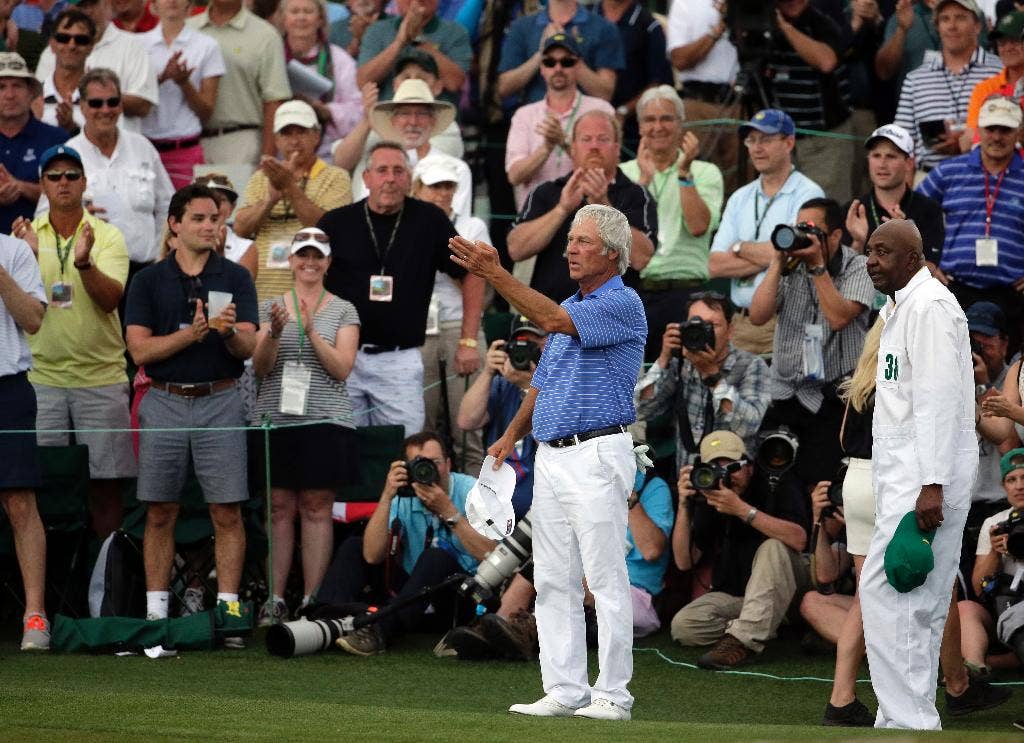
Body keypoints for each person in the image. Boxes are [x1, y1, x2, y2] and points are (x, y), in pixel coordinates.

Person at [450, 203, 646, 721]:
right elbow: (542, 385)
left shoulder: (622, 303)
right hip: (553, 457)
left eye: (582, 242)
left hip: (598, 451)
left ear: (612, 253)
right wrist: (509, 437)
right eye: (571, 241)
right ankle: (565, 689)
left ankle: (613, 696)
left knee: (604, 578)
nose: (570, 250)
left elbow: (551, 320)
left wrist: (495, 273)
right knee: (554, 577)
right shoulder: (568, 304)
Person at [124, 183, 258, 637]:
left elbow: (249, 345)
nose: (209, 227)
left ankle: (229, 612)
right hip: (163, 400)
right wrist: (192, 335)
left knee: (227, 511)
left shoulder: (236, 277)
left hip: (221, 399)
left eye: (215, 219)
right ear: (174, 224)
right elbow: (139, 350)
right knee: (159, 510)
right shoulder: (147, 280)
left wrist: (224, 334)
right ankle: (157, 611)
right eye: (199, 218)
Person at [859, 218, 977, 729]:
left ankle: (908, 718)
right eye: (869, 251)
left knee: (891, 593)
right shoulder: (901, 307)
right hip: (909, 480)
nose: (871, 261)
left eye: (883, 252)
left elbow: (937, 401)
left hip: (926, 482)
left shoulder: (929, 307)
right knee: (918, 600)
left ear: (913, 258)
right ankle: (906, 714)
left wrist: (932, 483)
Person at [12, 143, 134, 539]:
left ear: (84, 182)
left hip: (100, 377)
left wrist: (84, 263)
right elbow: (17, 307)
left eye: (71, 176)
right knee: (42, 486)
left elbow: (110, 298)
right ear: (42, 185)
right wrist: (25, 256)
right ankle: (51, 585)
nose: (63, 183)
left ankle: (104, 592)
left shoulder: (108, 235)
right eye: (54, 176)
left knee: (106, 489)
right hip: (41, 377)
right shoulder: (22, 236)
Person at [319, 142, 483, 434]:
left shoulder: (430, 220)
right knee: (342, 448)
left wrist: (468, 341)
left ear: (409, 179)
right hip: (344, 358)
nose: (390, 178)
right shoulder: (336, 223)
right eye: (382, 170)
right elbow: (309, 278)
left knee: (404, 448)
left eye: (398, 171)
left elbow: (473, 272)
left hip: (400, 359)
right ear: (366, 178)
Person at [251, 227, 360, 625]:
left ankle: (312, 598)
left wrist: (311, 329)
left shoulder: (343, 310)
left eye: (317, 256)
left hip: (324, 417)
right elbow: (261, 368)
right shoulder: (270, 307)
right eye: (303, 255)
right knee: (279, 508)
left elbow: (342, 368)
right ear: (291, 260)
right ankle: (275, 597)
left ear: (328, 261)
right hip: (277, 417)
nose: (310, 262)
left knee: (316, 507)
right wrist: (276, 333)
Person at [319, 431, 496, 654]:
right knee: (355, 546)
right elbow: (372, 555)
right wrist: (386, 496)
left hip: (461, 597)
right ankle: (324, 619)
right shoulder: (404, 494)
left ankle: (378, 632)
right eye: (418, 465)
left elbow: (493, 554)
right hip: (411, 593)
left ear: (449, 464)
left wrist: (449, 512)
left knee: (436, 557)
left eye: (434, 463)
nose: (426, 471)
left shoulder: (471, 491)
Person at [749, 197, 876, 489]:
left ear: (834, 235)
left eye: (811, 230)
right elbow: (757, 316)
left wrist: (818, 267)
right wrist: (777, 262)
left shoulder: (858, 267)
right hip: (784, 393)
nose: (803, 235)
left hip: (831, 399)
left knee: (819, 486)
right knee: (772, 482)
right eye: (799, 228)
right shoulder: (790, 265)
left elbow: (839, 317)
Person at [669, 430, 809, 669]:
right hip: (740, 595)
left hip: (794, 588)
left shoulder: (775, 483)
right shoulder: (709, 497)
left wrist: (742, 510)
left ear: (750, 466)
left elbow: (799, 539)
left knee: (773, 546)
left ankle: (742, 641)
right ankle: (764, 622)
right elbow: (684, 561)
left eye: (732, 467)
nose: (726, 476)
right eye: (716, 469)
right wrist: (684, 505)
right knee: (684, 626)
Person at [507, 109, 656, 304]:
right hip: (550, 317)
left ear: (617, 149)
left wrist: (603, 204)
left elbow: (641, 258)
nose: (594, 146)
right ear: (573, 148)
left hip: (611, 318)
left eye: (603, 139)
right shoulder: (548, 191)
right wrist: (561, 209)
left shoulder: (636, 194)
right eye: (586, 139)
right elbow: (516, 249)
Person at [708, 109, 824, 356]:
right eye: (752, 140)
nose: (757, 148)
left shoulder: (808, 194)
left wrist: (740, 247)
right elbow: (715, 265)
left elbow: (794, 256)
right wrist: (774, 255)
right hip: (739, 322)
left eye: (766, 139)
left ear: (789, 142)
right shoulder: (740, 197)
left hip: (786, 321)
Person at [620, 85, 723, 360]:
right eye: (650, 120)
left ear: (681, 125)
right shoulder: (623, 174)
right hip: (634, 292)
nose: (658, 127)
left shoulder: (706, 172)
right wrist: (642, 183)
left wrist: (685, 174)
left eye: (666, 118)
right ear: (639, 127)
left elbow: (698, 226)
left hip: (686, 293)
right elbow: (617, 237)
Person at [919, 95, 1024, 357]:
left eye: (1005, 129)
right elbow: (911, 215)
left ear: (1019, 132)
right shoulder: (949, 171)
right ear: (978, 129)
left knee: (1009, 374)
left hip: (1011, 297)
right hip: (955, 291)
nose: (997, 137)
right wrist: (925, 261)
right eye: (991, 128)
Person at [48, 68, 174, 281]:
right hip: (90, 273)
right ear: (83, 107)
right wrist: (75, 214)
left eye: (113, 102)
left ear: (121, 105)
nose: (105, 110)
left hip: (146, 272)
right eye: (97, 103)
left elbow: (168, 206)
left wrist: (161, 256)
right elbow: (44, 216)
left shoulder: (143, 147)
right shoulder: (68, 154)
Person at [635, 292, 771, 476]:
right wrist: (663, 359)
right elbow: (641, 410)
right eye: (695, 324)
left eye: (712, 325)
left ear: (730, 330)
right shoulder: (680, 363)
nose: (703, 331)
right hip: (688, 478)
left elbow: (748, 426)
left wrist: (712, 376)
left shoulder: (751, 365)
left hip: (732, 478)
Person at [234, 99, 352, 303]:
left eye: (302, 132)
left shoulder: (336, 177)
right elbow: (240, 229)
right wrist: (269, 201)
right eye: (287, 133)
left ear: (317, 135)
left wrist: (289, 186)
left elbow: (329, 228)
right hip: (265, 293)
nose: (294, 141)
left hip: (315, 293)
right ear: (277, 140)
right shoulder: (261, 177)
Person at [412, 155, 487, 473]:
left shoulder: (472, 225)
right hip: (418, 328)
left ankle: (478, 510)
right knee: (421, 428)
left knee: (467, 430)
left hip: (460, 324)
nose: (443, 193)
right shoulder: (406, 226)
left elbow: (483, 281)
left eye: (448, 186)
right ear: (417, 189)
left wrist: (468, 341)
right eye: (434, 186)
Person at [0, 219, 49, 650]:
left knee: (19, 502)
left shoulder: (13, 251)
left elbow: (34, 318)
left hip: (8, 388)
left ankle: (35, 616)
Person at [504, 32, 614, 212]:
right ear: (542, 68)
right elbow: (515, 176)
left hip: (587, 216)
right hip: (536, 218)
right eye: (550, 62)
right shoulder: (524, 115)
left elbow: (607, 169)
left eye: (566, 62)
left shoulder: (601, 110)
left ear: (578, 65)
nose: (558, 68)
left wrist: (563, 142)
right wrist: (546, 148)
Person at [766, 0, 859, 205]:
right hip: (782, 141)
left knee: (824, 211)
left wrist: (785, 28)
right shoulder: (764, 19)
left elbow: (826, 61)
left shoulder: (825, 14)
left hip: (824, 140)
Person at [893, 0, 1001, 174]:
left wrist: (967, 141)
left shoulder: (1001, 72)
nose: (952, 26)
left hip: (986, 177)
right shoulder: (916, 79)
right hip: (928, 179)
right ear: (937, 27)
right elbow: (902, 141)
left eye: (960, 18)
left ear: (977, 26)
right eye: (945, 19)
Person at [457, 317, 548, 519]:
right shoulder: (502, 383)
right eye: (519, 344)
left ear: (548, 346)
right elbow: (466, 421)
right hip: (497, 498)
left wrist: (529, 386)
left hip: (540, 504)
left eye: (533, 345)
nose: (524, 352)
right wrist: (488, 372)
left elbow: (549, 438)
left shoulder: (559, 385)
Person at [188, 0, 291, 163]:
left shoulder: (265, 35)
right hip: (189, 142)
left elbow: (274, 101)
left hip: (241, 142)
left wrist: (267, 159)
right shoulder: (187, 29)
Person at [33, 0, 160, 133]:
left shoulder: (133, 46)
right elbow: (38, 98)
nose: (87, 11)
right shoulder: (55, 50)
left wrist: (96, 97)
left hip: (118, 148)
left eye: (92, 4)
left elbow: (143, 106)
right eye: (80, 6)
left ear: (107, 4)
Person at [352, 78, 470, 215]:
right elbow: (367, 216)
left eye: (422, 114)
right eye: (405, 113)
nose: (413, 122)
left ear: (433, 121)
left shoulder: (456, 168)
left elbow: (457, 223)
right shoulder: (377, 167)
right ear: (393, 121)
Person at [140, 0, 225, 189]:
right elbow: (133, 99)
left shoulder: (207, 46)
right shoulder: (138, 44)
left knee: (190, 213)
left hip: (185, 149)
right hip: (145, 148)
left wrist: (183, 83)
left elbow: (206, 111)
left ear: (189, 4)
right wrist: (162, 78)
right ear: (153, 4)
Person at [845, 124, 945, 275]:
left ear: (909, 164)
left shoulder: (929, 209)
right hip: (863, 295)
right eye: (876, 155)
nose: (882, 164)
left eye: (891, 156)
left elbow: (930, 270)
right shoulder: (853, 210)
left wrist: (905, 241)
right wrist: (858, 242)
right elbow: (842, 274)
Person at [958, 448, 1024, 673]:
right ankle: (976, 668)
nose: (1019, 486)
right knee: (965, 608)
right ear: (1003, 486)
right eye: (1011, 479)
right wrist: (996, 552)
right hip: (1002, 606)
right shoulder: (995, 523)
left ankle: (1000, 662)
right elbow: (978, 588)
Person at [666, 0, 740, 193]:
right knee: (700, 176)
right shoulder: (685, 4)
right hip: (697, 104)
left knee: (741, 178)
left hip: (739, 103)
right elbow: (679, 60)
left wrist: (736, 18)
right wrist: (718, 29)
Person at [496, 0, 622, 106]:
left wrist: (569, 52)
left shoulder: (604, 28)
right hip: (536, 123)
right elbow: (504, 88)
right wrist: (541, 54)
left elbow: (605, 94)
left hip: (585, 125)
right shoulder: (521, 27)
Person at [281, 0, 363, 157]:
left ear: (320, 19)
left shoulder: (339, 59)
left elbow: (358, 109)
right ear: (284, 19)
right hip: (279, 150)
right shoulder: (273, 54)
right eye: (295, 11)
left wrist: (327, 110)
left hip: (326, 152)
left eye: (308, 12)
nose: (301, 17)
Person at [355, 0, 472, 107]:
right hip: (387, 122)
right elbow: (363, 82)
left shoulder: (456, 32)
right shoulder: (377, 30)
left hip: (439, 122)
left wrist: (418, 40)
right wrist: (399, 42)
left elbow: (455, 83)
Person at [0, 52, 67, 236]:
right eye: (2, 87)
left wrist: (21, 187)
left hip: (42, 250)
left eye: (17, 86)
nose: (10, 95)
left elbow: (70, 194)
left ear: (31, 93)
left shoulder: (56, 139)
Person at [595, 0, 672, 149]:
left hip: (632, 132)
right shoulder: (585, 18)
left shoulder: (649, 26)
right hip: (584, 124)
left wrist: (623, 111)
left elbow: (658, 82)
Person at [963, 10, 1024, 147]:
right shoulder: (984, 89)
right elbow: (970, 142)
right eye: (1002, 42)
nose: (1007, 48)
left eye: (1015, 41)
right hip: (994, 166)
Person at [38, 8, 95, 135]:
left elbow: (106, 146)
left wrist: (72, 128)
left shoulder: (102, 100)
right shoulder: (33, 98)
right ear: (52, 44)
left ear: (91, 47)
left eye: (81, 40)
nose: (72, 45)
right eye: (63, 38)